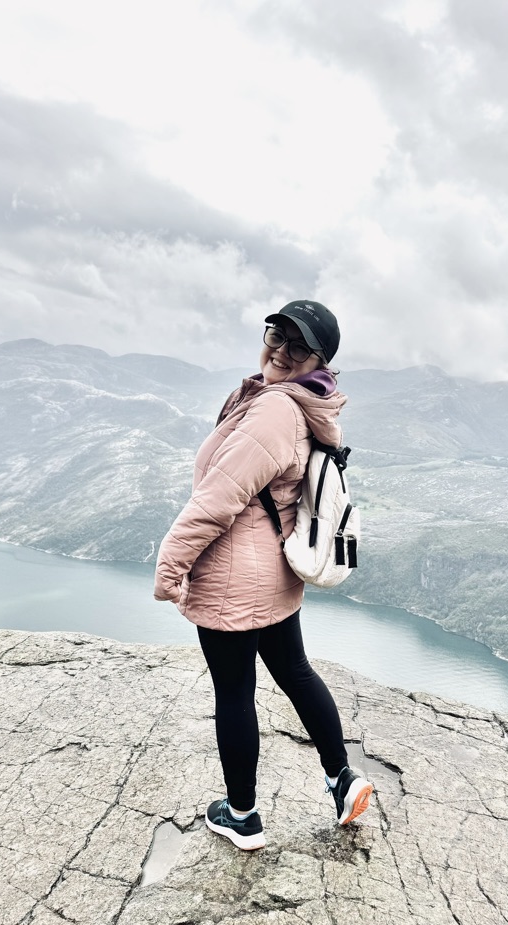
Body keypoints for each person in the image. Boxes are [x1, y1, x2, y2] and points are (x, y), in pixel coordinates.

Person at [154, 300, 373, 851]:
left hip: (233, 574)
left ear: (317, 361)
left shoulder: (274, 412)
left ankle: (243, 815)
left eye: (296, 347)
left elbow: (217, 500)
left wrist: (172, 564)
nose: (279, 350)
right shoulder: (298, 403)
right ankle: (341, 779)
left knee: (235, 693)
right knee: (295, 671)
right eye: (276, 334)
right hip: (273, 572)